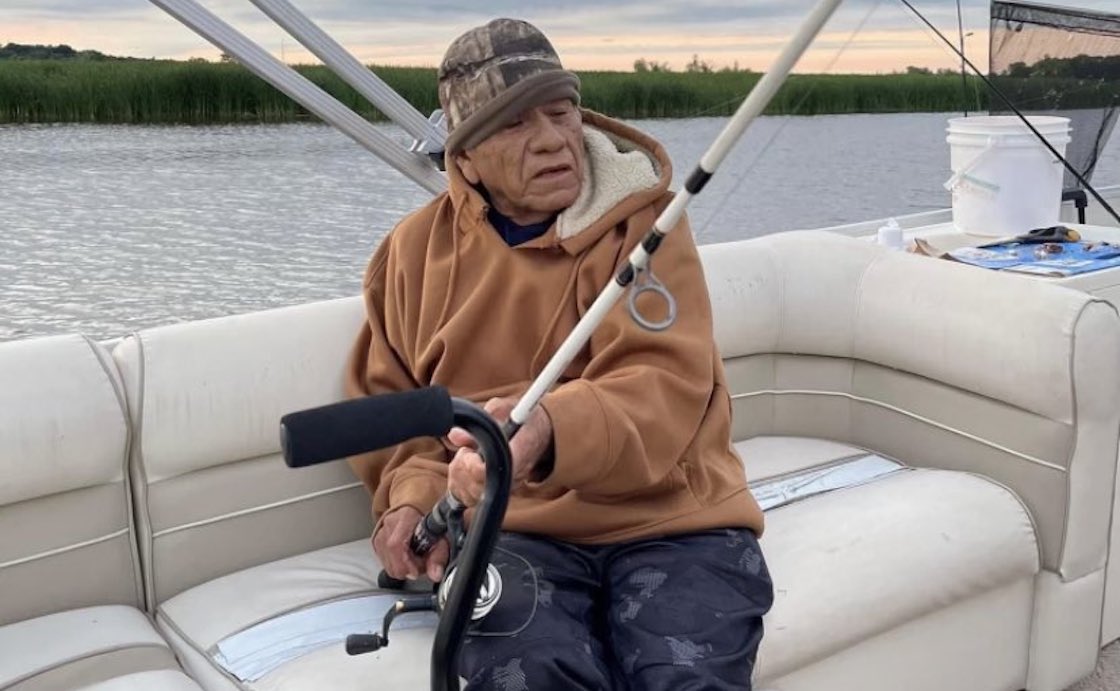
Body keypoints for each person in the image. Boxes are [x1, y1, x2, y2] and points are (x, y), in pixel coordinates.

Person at [346, 17, 773, 690]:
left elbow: (664, 384)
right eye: (515, 123)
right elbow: (395, 410)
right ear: (465, 157)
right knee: (530, 676)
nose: (551, 139)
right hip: (508, 532)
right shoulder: (410, 255)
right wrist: (410, 500)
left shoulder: (649, 225)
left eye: (561, 110)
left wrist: (546, 429)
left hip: (675, 519)